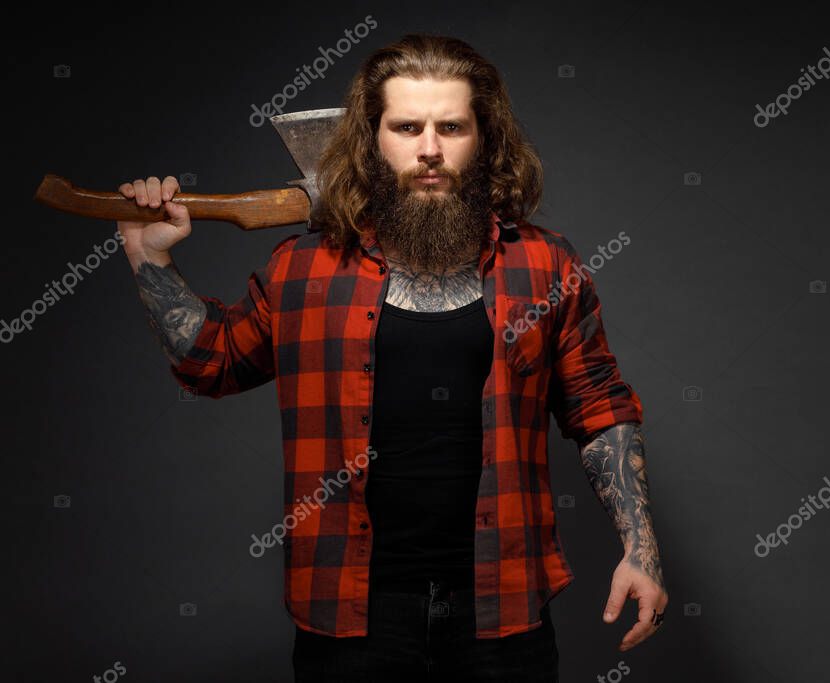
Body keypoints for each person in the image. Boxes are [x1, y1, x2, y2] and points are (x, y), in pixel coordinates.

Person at [116, 33, 667, 683]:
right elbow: (211, 362)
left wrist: (641, 546)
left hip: (503, 610)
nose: (429, 149)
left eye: (451, 127)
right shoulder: (303, 268)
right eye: (407, 127)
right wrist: (148, 257)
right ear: (372, 140)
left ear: (484, 139)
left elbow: (599, 405)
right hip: (350, 618)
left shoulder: (547, 265)